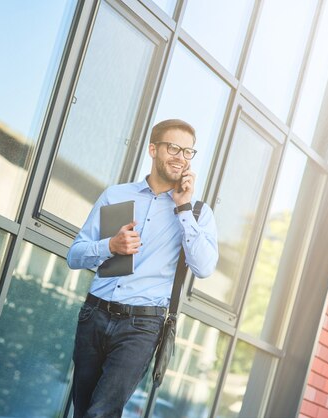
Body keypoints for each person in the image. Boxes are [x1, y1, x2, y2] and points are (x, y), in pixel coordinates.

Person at [66, 119, 219, 418]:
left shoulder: (198, 212)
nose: (180, 157)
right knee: (82, 410)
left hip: (141, 326)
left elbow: (204, 267)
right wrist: (109, 246)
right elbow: (74, 256)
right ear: (153, 149)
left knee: (101, 413)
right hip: (94, 315)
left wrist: (183, 208)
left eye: (188, 152)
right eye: (173, 147)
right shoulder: (116, 195)